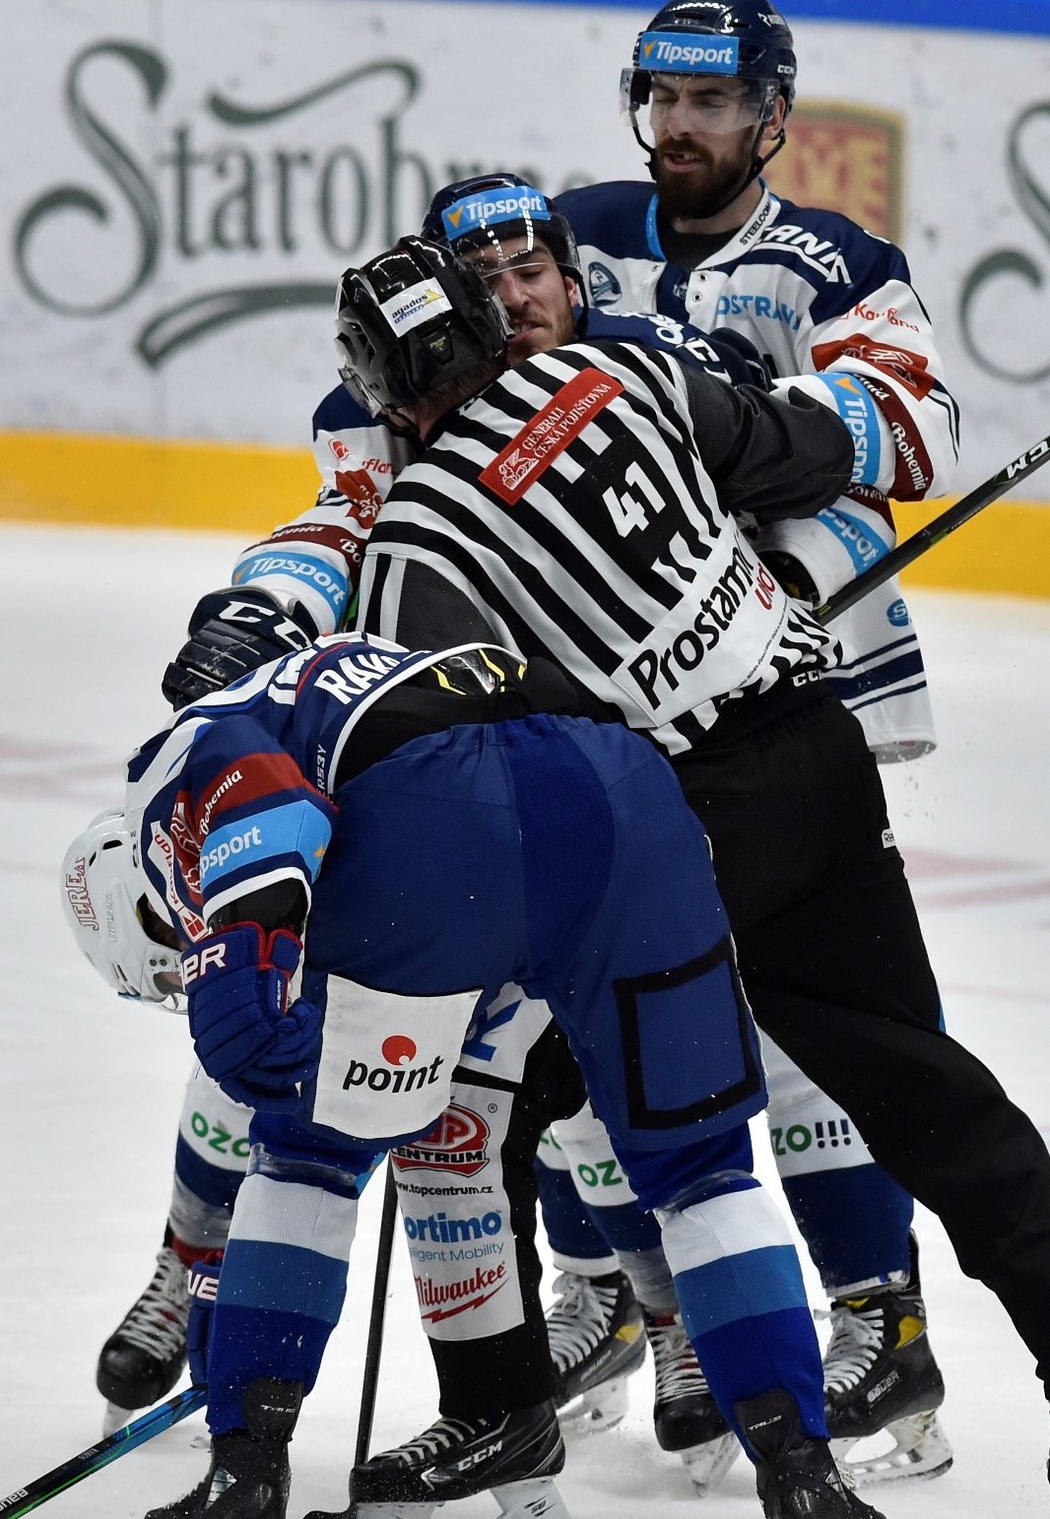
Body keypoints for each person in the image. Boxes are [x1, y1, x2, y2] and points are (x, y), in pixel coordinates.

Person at [341, 231, 1050, 1486]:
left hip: (678, 836)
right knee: (926, 1088)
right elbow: (815, 452)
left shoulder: (420, 530)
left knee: (479, 1106)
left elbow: (445, 746)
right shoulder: (626, 375)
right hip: (821, 765)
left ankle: (505, 1397)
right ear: (491, 321)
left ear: (385, 391)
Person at [91, 180, 784, 1462]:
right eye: (487, 278)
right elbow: (338, 526)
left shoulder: (633, 365)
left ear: (566, 277)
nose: (511, 300)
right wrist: (263, 605)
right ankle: (190, 1271)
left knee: (586, 1095)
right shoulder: (394, 451)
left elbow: (767, 483)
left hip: (624, 774)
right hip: (477, 783)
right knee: (408, 1089)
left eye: (529, 272)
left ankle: (659, 1321)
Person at [62, 625, 887, 1519]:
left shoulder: (171, 772)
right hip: (625, 794)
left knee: (309, 1156)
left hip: (439, 821)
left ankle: (247, 1470)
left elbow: (262, 796)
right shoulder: (341, 670)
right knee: (703, 1172)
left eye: (169, 961)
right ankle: (805, 1477)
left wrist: (238, 955)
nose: (184, 970)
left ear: (134, 896)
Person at [547, 0, 963, 1482]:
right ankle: (617, 1302)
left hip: (784, 683)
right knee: (563, 1005)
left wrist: (740, 422)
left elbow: (915, 435)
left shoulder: (829, 262)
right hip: (603, 669)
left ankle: (880, 1318)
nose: (678, 129)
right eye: (659, 100)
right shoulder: (575, 226)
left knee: (788, 1025)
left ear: (770, 119)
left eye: (709, 106)